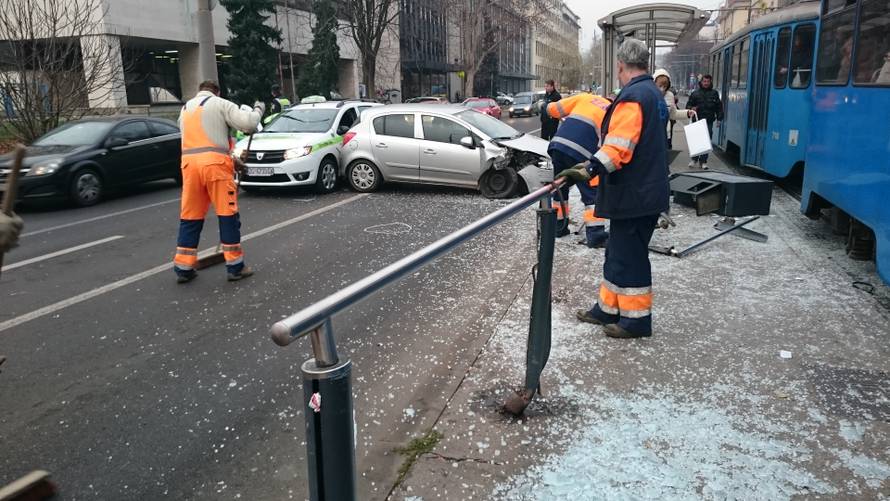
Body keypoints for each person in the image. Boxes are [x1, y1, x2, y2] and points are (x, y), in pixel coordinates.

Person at [557, 38, 669, 339]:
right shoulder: (654, 94)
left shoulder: (634, 97)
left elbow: (620, 146)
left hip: (635, 194)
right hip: (642, 192)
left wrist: (590, 167)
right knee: (617, 253)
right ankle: (607, 308)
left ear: (621, 64)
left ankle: (636, 321)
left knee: (630, 257)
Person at [173, 80, 264, 283]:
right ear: (217, 91)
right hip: (215, 168)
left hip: (189, 167)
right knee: (227, 214)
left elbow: (204, 143)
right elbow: (249, 124)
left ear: (200, 91)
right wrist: (259, 109)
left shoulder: (185, 109)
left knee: (190, 217)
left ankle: (183, 267)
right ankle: (235, 267)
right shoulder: (221, 104)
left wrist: (234, 160)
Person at [546, 91, 612, 245]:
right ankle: (595, 235)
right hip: (582, 153)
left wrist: (545, 106)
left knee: (560, 188)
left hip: (558, 145)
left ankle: (559, 228)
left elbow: (554, 109)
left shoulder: (586, 97)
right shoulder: (612, 111)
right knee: (591, 193)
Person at [685, 74, 722, 169]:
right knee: (696, 140)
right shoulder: (695, 93)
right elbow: (688, 106)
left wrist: (719, 119)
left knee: (706, 141)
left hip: (708, 121)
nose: (706, 83)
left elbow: (719, 107)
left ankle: (703, 161)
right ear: (701, 82)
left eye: (708, 82)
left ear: (710, 83)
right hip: (697, 120)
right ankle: (694, 159)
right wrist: (691, 108)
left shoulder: (714, 93)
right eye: (704, 81)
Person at [653, 68, 695, 149]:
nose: (662, 89)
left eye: (664, 86)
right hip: (652, 135)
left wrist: (687, 113)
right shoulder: (649, 94)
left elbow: (673, 114)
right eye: (660, 86)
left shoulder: (670, 95)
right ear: (654, 84)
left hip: (665, 134)